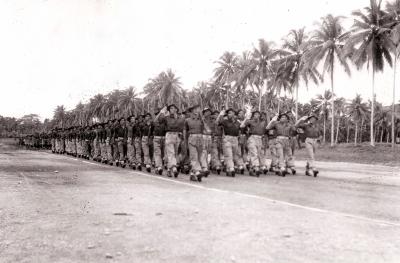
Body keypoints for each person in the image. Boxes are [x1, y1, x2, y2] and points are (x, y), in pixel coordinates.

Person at [156, 104, 184, 177]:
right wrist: (161, 112)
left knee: (174, 153)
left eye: (174, 108)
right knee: (171, 152)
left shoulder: (180, 118)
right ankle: (174, 167)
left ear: (176, 110)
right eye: (171, 108)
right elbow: (157, 120)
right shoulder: (166, 118)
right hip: (169, 134)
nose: (173, 109)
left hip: (177, 135)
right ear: (169, 110)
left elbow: (182, 127)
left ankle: (169, 169)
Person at [266, 112, 296, 176]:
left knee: (289, 154)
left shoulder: (289, 124)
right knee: (280, 154)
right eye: (282, 117)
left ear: (287, 119)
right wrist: (272, 120)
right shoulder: (276, 123)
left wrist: (291, 121)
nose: (283, 118)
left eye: (285, 117)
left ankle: (290, 166)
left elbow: (294, 130)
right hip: (278, 140)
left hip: (287, 140)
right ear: (279, 118)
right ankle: (281, 167)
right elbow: (267, 128)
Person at [217, 108, 244, 177]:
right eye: (228, 113)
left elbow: (240, 131)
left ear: (234, 114)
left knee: (234, 155)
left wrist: (240, 138)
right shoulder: (225, 121)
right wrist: (221, 115)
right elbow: (217, 122)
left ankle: (228, 168)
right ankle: (231, 168)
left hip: (235, 139)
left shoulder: (238, 122)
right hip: (227, 139)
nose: (230, 114)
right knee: (228, 154)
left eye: (231, 113)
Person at [240, 110, 268, 176]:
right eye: (255, 114)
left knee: (258, 154)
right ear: (253, 115)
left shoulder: (262, 122)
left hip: (260, 139)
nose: (256, 115)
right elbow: (241, 126)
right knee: (254, 153)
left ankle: (251, 167)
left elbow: (267, 127)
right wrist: (246, 118)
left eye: (258, 114)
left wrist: (268, 115)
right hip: (252, 138)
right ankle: (256, 167)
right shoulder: (250, 121)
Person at [184, 105, 205, 182]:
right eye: (195, 109)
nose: (197, 110)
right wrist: (185, 141)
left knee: (199, 157)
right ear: (191, 111)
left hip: (200, 138)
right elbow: (185, 131)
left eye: (198, 109)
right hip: (192, 138)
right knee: (194, 156)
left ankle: (193, 174)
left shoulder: (201, 120)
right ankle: (197, 171)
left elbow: (206, 130)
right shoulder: (187, 120)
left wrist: (202, 119)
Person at [152, 111, 166, 175]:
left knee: (163, 154)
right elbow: (155, 120)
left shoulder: (165, 123)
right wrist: (160, 113)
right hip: (156, 139)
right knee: (158, 153)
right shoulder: (155, 123)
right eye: (160, 116)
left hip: (164, 139)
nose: (161, 117)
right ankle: (159, 166)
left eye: (162, 116)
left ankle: (159, 165)